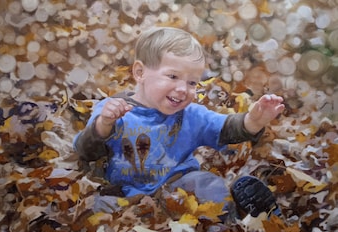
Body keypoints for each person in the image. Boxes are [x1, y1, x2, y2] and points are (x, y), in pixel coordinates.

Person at [74, 27, 285, 219]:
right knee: (95, 210)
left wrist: (254, 120)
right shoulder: (114, 109)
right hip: (126, 194)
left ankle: (234, 224)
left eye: (192, 82)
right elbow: (86, 151)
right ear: (140, 73)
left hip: (180, 188)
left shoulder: (190, 114)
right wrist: (104, 124)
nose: (184, 89)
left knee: (208, 185)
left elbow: (226, 128)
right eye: (173, 76)